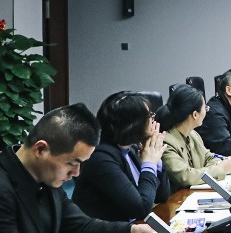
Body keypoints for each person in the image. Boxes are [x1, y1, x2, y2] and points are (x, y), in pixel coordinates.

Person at [0, 103, 155, 233]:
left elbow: (78, 224)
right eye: (72, 162)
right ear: (41, 149)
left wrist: (131, 230)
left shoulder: (43, 175)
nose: (76, 173)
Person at [72, 92, 171, 222]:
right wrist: (149, 163)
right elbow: (140, 209)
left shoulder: (132, 149)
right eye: (149, 116)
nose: (153, 119)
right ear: (132, 124)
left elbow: (162, 196)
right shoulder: (100, 158)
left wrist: (155, 158)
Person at [158, 84, 231, 189]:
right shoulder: (166, 142)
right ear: (195, 115)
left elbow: (208, 157)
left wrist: (221, 163)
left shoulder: (193, 134)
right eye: (205, 108)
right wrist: (220, 169)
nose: (207, 111)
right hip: (178, 197)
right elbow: (185, 176)